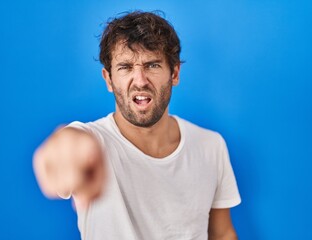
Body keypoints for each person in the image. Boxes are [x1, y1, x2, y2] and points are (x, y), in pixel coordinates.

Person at [33, 11, 241, 240]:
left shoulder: (210, 145)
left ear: (175, 73)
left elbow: (222, 234)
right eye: (125, 67)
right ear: (108, 79)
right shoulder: (92, 142)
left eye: (152, 65)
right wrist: (64, 148)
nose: (140, 80)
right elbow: (69, 145)